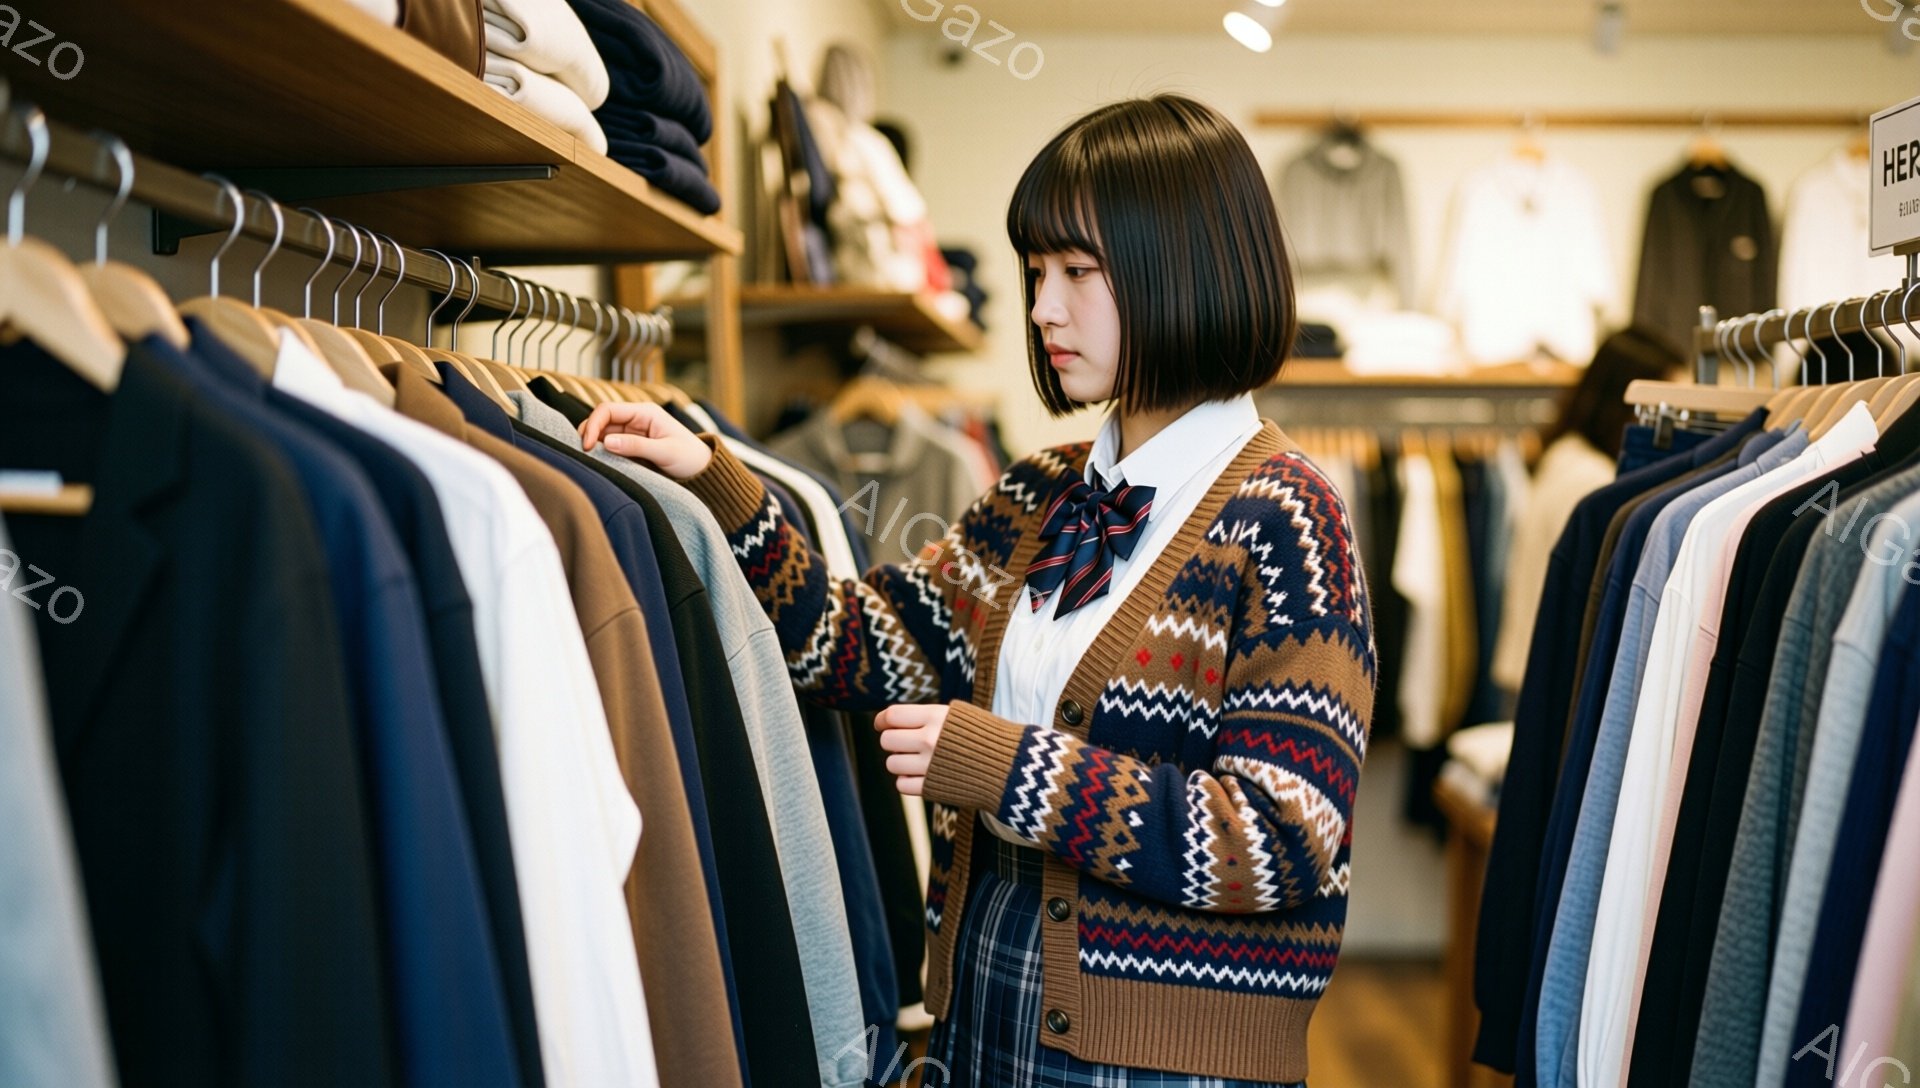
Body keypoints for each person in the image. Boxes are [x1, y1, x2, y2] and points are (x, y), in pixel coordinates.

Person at [580, 93, 1374, 1088]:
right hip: (984, 1029)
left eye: (1078, 272)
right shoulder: (1041, 492)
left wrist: (1011, 768)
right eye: (1037, 271)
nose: (1043, 308)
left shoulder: (1291, 517)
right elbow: (847, 639)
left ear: (1185, 264)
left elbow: (1283, 839)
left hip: (1173, 1068)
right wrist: (716, 478)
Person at [1489, 325, 1684, 692]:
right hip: (1555, 679)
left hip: (1535, 669)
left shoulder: (1566, 457)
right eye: (1667, 408)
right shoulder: (1593, 482)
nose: (1677, 423)